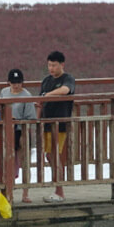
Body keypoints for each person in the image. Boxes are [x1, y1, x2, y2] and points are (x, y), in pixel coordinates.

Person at [39, 51, 76, 203]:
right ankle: (57, 187)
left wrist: (49, 95)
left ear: (62, 65)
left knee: (55, 155)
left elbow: (66, 90)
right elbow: (40, 99)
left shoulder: (68, 78)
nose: (51, 68)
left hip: (60, 124)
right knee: (49, 155)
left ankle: (59, 191)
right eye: (49, 65)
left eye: (54, 65)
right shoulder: (46, 80)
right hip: (46, 123)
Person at [0, 68, 37, 203]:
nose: (16, 85)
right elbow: (1, 110)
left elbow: (31, 118)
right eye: (13, 82)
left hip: (21, 130)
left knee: (24, 162)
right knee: (8, 162)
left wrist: (21, 127)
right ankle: (8, 191)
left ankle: (25, 193)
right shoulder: (4, 92)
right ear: (9, 82)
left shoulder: (26, 96)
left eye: (19, 82)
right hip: (7, 131)